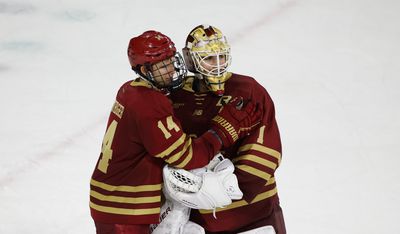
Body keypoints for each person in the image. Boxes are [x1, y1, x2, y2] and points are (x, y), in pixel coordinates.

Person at [89, 30, 261, 234]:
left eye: (171, 61)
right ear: (145, 70)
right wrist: (223, 129)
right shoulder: (150, 103)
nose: (171, 69)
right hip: (124, 206)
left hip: (112, 199)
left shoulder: (130, 89)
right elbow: (187, 157)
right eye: (163, 66)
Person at [167, 25, 286, 233]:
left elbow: (266, 149)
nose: (218, 65)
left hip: (253, 215)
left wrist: (226, 189)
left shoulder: (248, 90)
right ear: (190, 59)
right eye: (209, 59)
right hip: (198, 219)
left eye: (221, 57)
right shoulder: (175, 96)